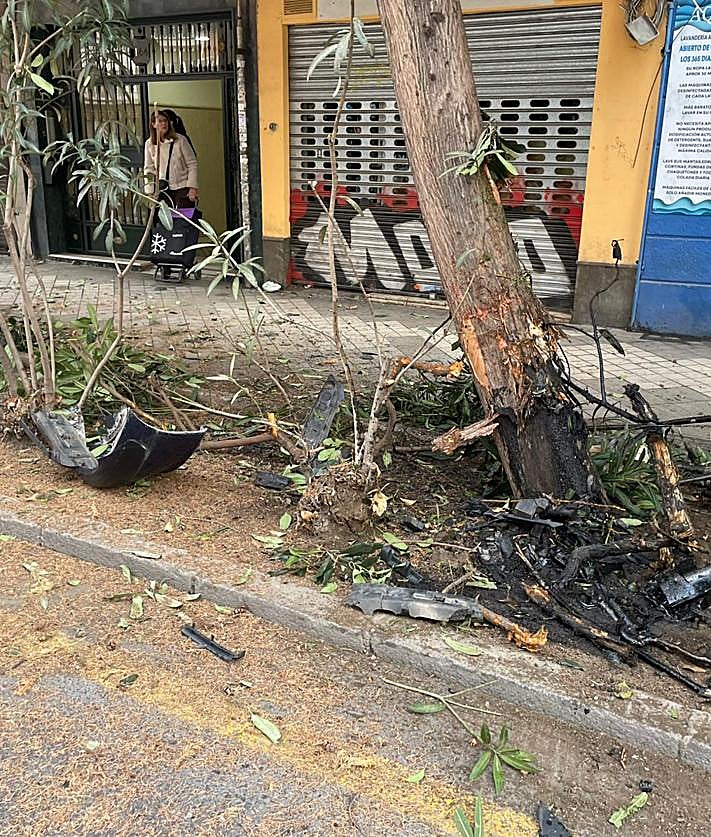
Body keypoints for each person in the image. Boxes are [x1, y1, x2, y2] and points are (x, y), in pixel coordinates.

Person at [144, 110, 198, 209]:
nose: (163, 124)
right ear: (153, 124)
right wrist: (150, 192)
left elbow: (192, 164)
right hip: (162, 189)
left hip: (182, 187)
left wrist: (192, 188)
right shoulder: (149, 144)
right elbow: (149, 169)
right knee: (165, 221)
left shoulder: (180, 140)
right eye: (159, 121)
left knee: (182, 222)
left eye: (165, 121)